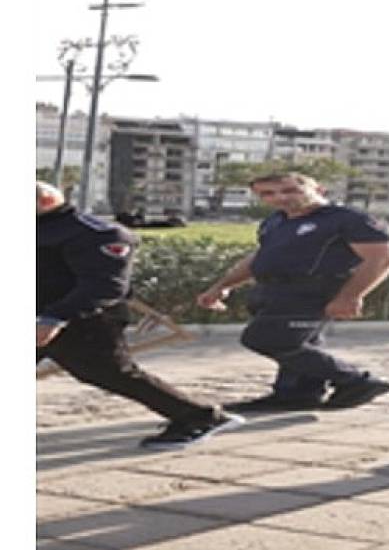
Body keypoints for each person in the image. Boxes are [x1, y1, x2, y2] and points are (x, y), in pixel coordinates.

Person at [36, 182, 244, 450]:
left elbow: (105, 286)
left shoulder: (96, 233)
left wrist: (54, 318)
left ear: (45, 201)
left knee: (112, 374)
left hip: (82, 320)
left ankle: (198, 417)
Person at [197, 172, 389, 411]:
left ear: (319, 189)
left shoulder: (346, 219)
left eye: (290, 190)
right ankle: (297, 394)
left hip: (313, 291)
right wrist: (223, 285)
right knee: (298, 344)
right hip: (274, 290)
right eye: (267, 193)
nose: (280, 197)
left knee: (266, 339)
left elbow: (381, 258)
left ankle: (358, 381)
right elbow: (260, 257)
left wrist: (350, 296)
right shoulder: (275, 221)